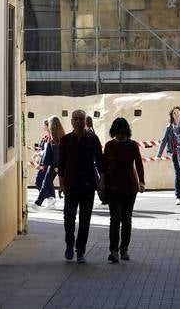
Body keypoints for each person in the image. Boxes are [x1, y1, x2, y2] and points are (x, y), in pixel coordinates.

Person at [58, 108, 104, 263]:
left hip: (88, 185)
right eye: (75, 118)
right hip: (70, 185)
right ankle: (69, 244)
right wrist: (61, 184)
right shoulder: (65, 140)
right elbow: (61, 164)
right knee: (68, 218)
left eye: (80, 119)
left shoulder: (93, 139)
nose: (78, 121)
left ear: (85, 121)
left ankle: (81, 250)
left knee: (85, 219)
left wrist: (102, 181)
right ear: (71, 121)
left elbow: (100, 161)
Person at [101, 117, 145, 263]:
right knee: (115, 219)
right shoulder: (109, 146)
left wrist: (142, 182)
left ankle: (124, 249)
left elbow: (138, 163)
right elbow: (103, 167)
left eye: (124, 133)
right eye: (119, 133)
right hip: (113, 188)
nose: (121, 135)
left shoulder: (132, 145)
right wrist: (102, 185)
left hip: (130, 188)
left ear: (127, 132)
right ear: (114, 132)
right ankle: (113, 251)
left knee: (126, 220)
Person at [34, 116, 65, 208]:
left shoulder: (54, 139)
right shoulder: (58, 137)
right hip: (51, 165)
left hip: (53, 165)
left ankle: (38, 204)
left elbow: (56, 153)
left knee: (44, 183)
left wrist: (56, 165)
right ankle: (43, 202)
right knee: (45, 183)